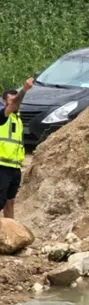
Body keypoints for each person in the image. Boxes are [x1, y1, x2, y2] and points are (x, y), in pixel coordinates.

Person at [0, 78, 34, 219]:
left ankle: (10, 231)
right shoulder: (3, 116)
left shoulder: (17, 119)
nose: (16, 103)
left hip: (14, 166)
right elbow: (13, 106)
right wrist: (24, 90)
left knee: (10, 201)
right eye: (11, 100)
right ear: (4, 102)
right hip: (1, 166)